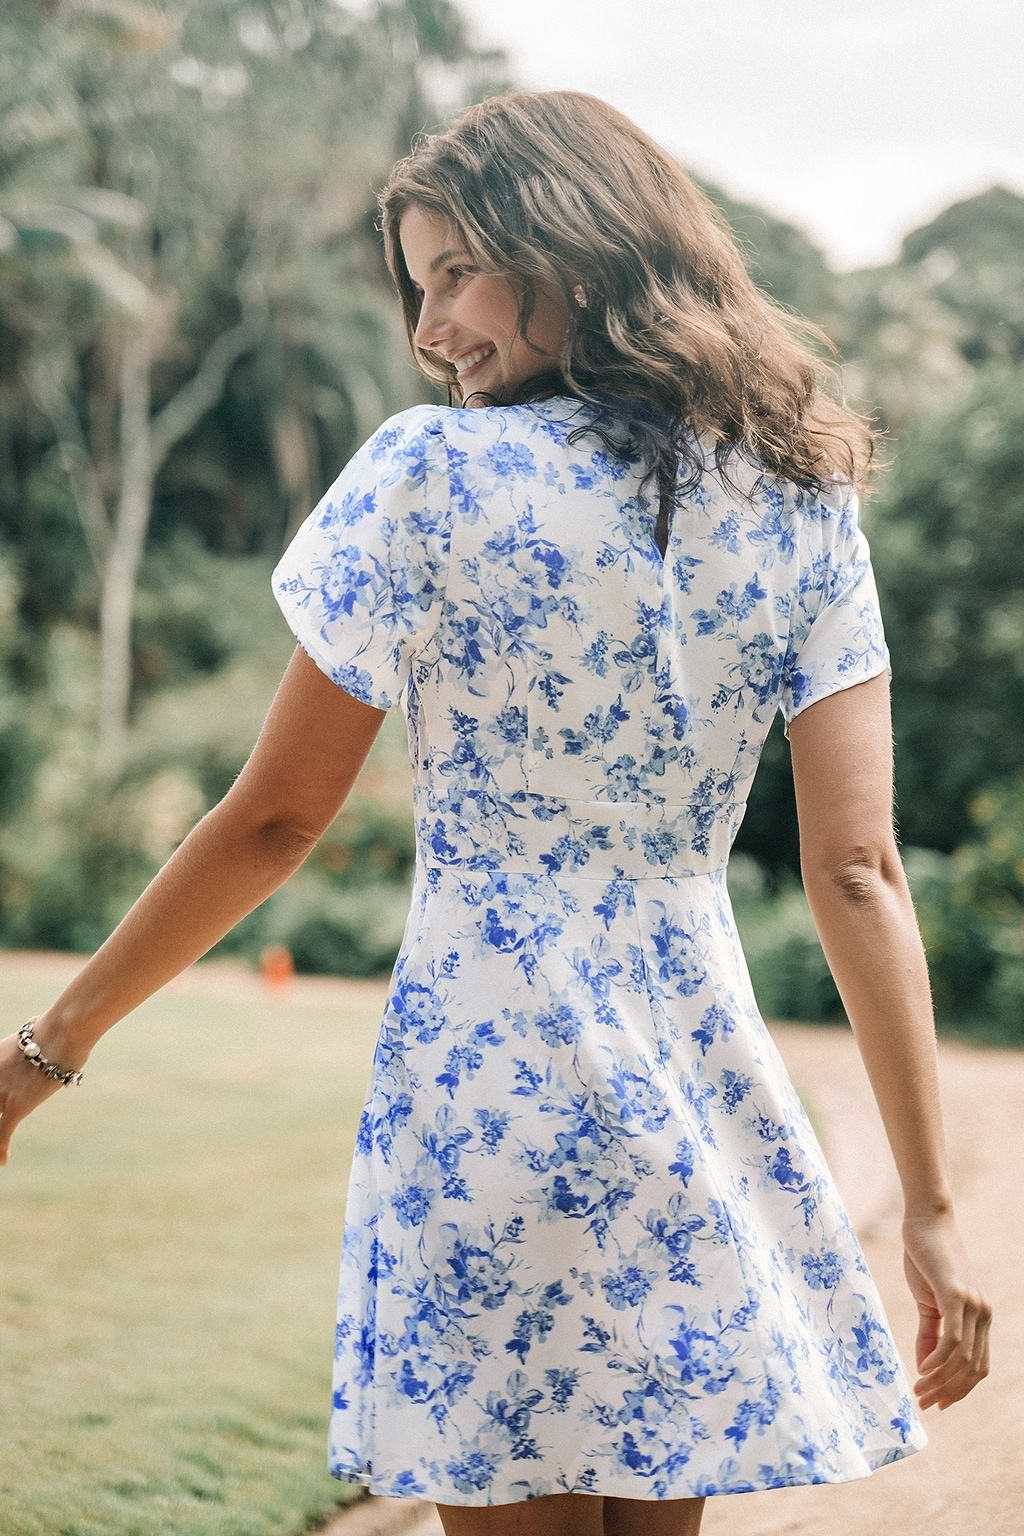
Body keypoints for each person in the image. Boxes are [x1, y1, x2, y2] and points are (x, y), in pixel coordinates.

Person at [0, 89, 990, 1536]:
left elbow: (277, 823)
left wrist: (45, 1049)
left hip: (489, 1084)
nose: (428, 326)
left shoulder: (425, 476)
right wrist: (934, 1206)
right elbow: (858, 868)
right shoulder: (800, 500)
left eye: (456, 271)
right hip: (689, 1093)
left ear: (573, 253)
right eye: (417, 286)